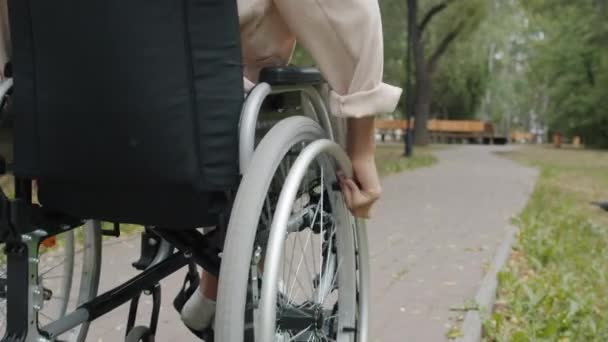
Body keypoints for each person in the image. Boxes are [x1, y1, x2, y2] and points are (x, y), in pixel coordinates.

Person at [0, 0, 402, 333]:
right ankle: (217, 287)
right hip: (199, 137)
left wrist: (30, 115)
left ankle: (215, 287)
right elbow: (347, 14)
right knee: (259, 112)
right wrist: (362, 149)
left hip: (67, 137)